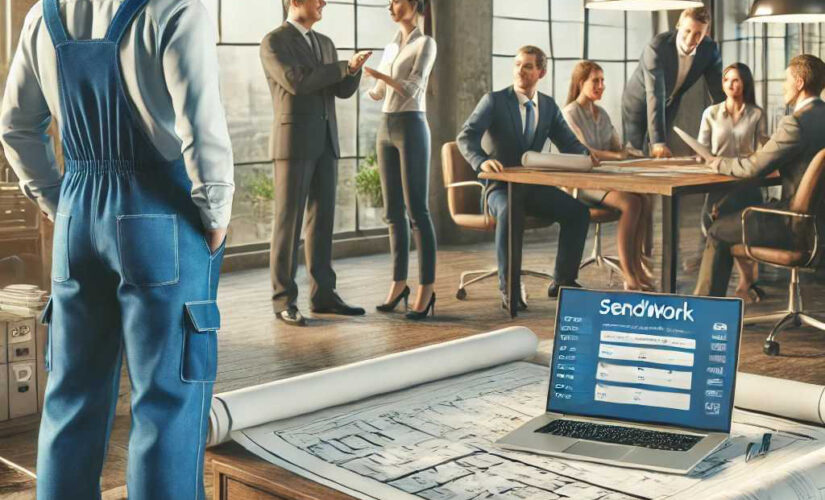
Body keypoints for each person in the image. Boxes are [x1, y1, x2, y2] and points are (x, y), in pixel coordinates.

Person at [0, 0, 234, 497]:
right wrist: (215, 215)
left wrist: (54, 200)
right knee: (167, 400)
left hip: (76, 215)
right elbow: (201, 121)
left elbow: (15, 127)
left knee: (70, 395)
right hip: (160, 217)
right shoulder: (174, 8)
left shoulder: (43, 15)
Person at [457, 46, 595, 309]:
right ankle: (508, 287)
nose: (521, 70)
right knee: (510, 212)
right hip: (499, 188)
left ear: (541, 72)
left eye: (528, 66)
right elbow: (466, 136)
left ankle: (563, 280)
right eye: (518, 64)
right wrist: (482, 160)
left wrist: (587, 156)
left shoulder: (548, 106)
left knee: (578, 212)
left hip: (534, 187)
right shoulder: (494, 101)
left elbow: (568, 142)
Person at [262, 0, 373, 326]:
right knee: (288, 224)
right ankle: (283, 300)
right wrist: (342, 66)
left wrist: (352, 72)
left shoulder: (324, 43)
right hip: (293, 143)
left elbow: (340, 91)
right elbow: (296, 82)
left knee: (322, 223)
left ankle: (324, 296)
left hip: (326, 140)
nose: (324, 2)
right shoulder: (274, 41)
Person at [694, 54, 825, 297]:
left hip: (796, 226)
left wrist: (717, 162)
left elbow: (753, 167)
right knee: (730, 209)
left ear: (799, 83)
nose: (783, 86)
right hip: (821, 225)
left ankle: (705, 314)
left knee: (718, 230)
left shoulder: (795, 123)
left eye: (786, 80)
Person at [366, 0, 437, 320]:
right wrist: (365, 77)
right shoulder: (391, 46)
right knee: (392, 212)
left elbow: (413, 87)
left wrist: (383, 75)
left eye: (397, 1)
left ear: (414, 4)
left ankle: (426, 288)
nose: (391, 6)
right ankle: (398, 284)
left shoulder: (426, 43)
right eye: (390, 2)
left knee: (417, 212)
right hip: (386, 126)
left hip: (411, 125)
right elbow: (379, 93)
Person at [563, 61, 654, 291]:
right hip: (582, 182)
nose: (601, 85)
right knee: (632, 203)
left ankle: (637, 265)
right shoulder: (570, 112)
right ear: (580, 83)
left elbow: (618, 147)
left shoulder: (601, 114)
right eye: (596, 80)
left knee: (645, 198)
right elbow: (587, 152)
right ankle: (630, 274)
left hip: (607, 180)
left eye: (603, 81)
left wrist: (632, 153)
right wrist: (618, 156)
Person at [696, 62, 769, 302]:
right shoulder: (711, 113)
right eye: (726, 80)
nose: (730, 84)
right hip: (718, 180)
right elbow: (702, 149)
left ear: (745, 83)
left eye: (736, 80)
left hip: (747, 181)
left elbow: (761, 151)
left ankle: (742, 282)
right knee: (717, 225)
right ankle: (747, 279)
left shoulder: (756, 114)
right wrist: (701, 157)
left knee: (734, 226)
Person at [622, 7, 724, 158]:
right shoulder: (656, 48)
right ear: (678, 26)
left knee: (660, 155)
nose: (691, 40)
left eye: (698, 34)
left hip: (669, 102)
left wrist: (728, 127)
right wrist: (658, 143)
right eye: (687, 31)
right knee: (636, 152)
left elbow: (719, 94)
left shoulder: (710, 50)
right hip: (638, 102)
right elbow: (655, 94)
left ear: (706, 33)